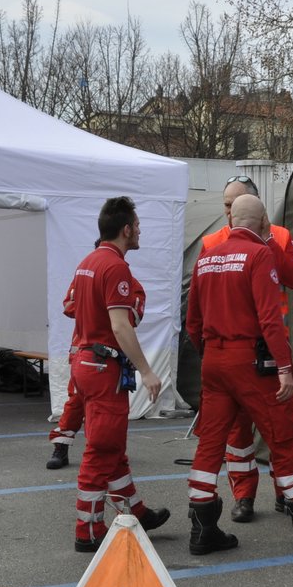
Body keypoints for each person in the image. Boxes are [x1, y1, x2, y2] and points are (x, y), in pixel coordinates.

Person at [185, 194, 293, 554]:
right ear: (261, 224)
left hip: (214, 359)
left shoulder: (207, 255)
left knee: (211, 444)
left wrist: (209, 353)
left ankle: (202, 526)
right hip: (252, 361)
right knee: (282, 435)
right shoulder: (259, 254)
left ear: (230, 220)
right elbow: (270, 318)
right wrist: (285, 367)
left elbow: (192, 320)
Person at [198, 175, 293, 522]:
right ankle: (243, 496)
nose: (229, 213)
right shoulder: (211, 242)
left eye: (235, 205)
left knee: (278, 428)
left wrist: (268, 241)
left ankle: (285, 494)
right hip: (242, 351)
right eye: (226, 205)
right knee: (238, 433)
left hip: (269, 349)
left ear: (257, 209)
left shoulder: (281, 236)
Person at [67, 197, 170, 552]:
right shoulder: (115, 268)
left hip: (84, 362)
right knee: (101, 448)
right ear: (126, 230)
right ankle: (88, 529)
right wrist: (147, 370)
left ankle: (135, 511)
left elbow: (70, 307)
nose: (140, 230)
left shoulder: (87, 263)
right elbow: (121, 326)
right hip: (101, 366)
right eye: (137, 225)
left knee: (113, 448)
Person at [46, 278, 84, 470]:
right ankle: (60, 447)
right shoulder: (84, 275)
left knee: (110, 409)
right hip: (84, 351)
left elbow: (134, 315)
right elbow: (68, 306)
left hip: (113, 353)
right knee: (76, 402)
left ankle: (109, 452)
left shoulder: (123, 275)